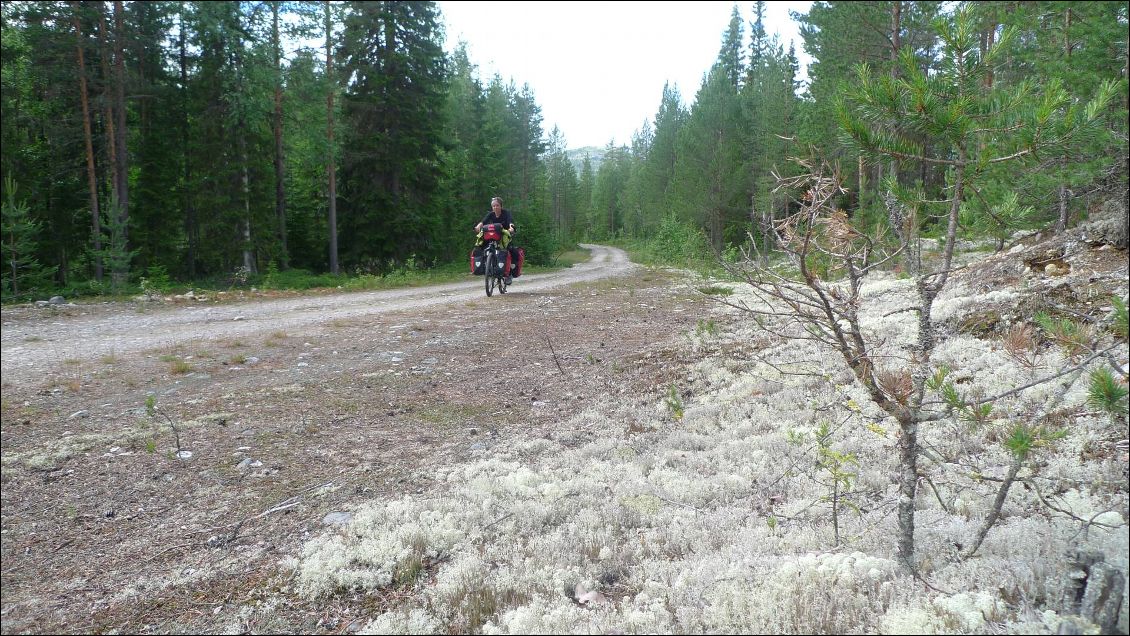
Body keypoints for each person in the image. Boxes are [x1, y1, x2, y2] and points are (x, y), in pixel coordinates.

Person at [475, 197, 517, 283]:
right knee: (481, 247)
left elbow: (510, 222)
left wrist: (511, 228)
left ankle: (510, 274)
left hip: (504, 237)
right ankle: (486, 267)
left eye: (497, 205)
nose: (495, 207)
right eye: (493, 206)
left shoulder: (506, 213)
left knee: (512, 251)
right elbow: (483, 221)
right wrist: (478, 226)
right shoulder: (491, 214)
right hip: (493, 236)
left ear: (501, 206)